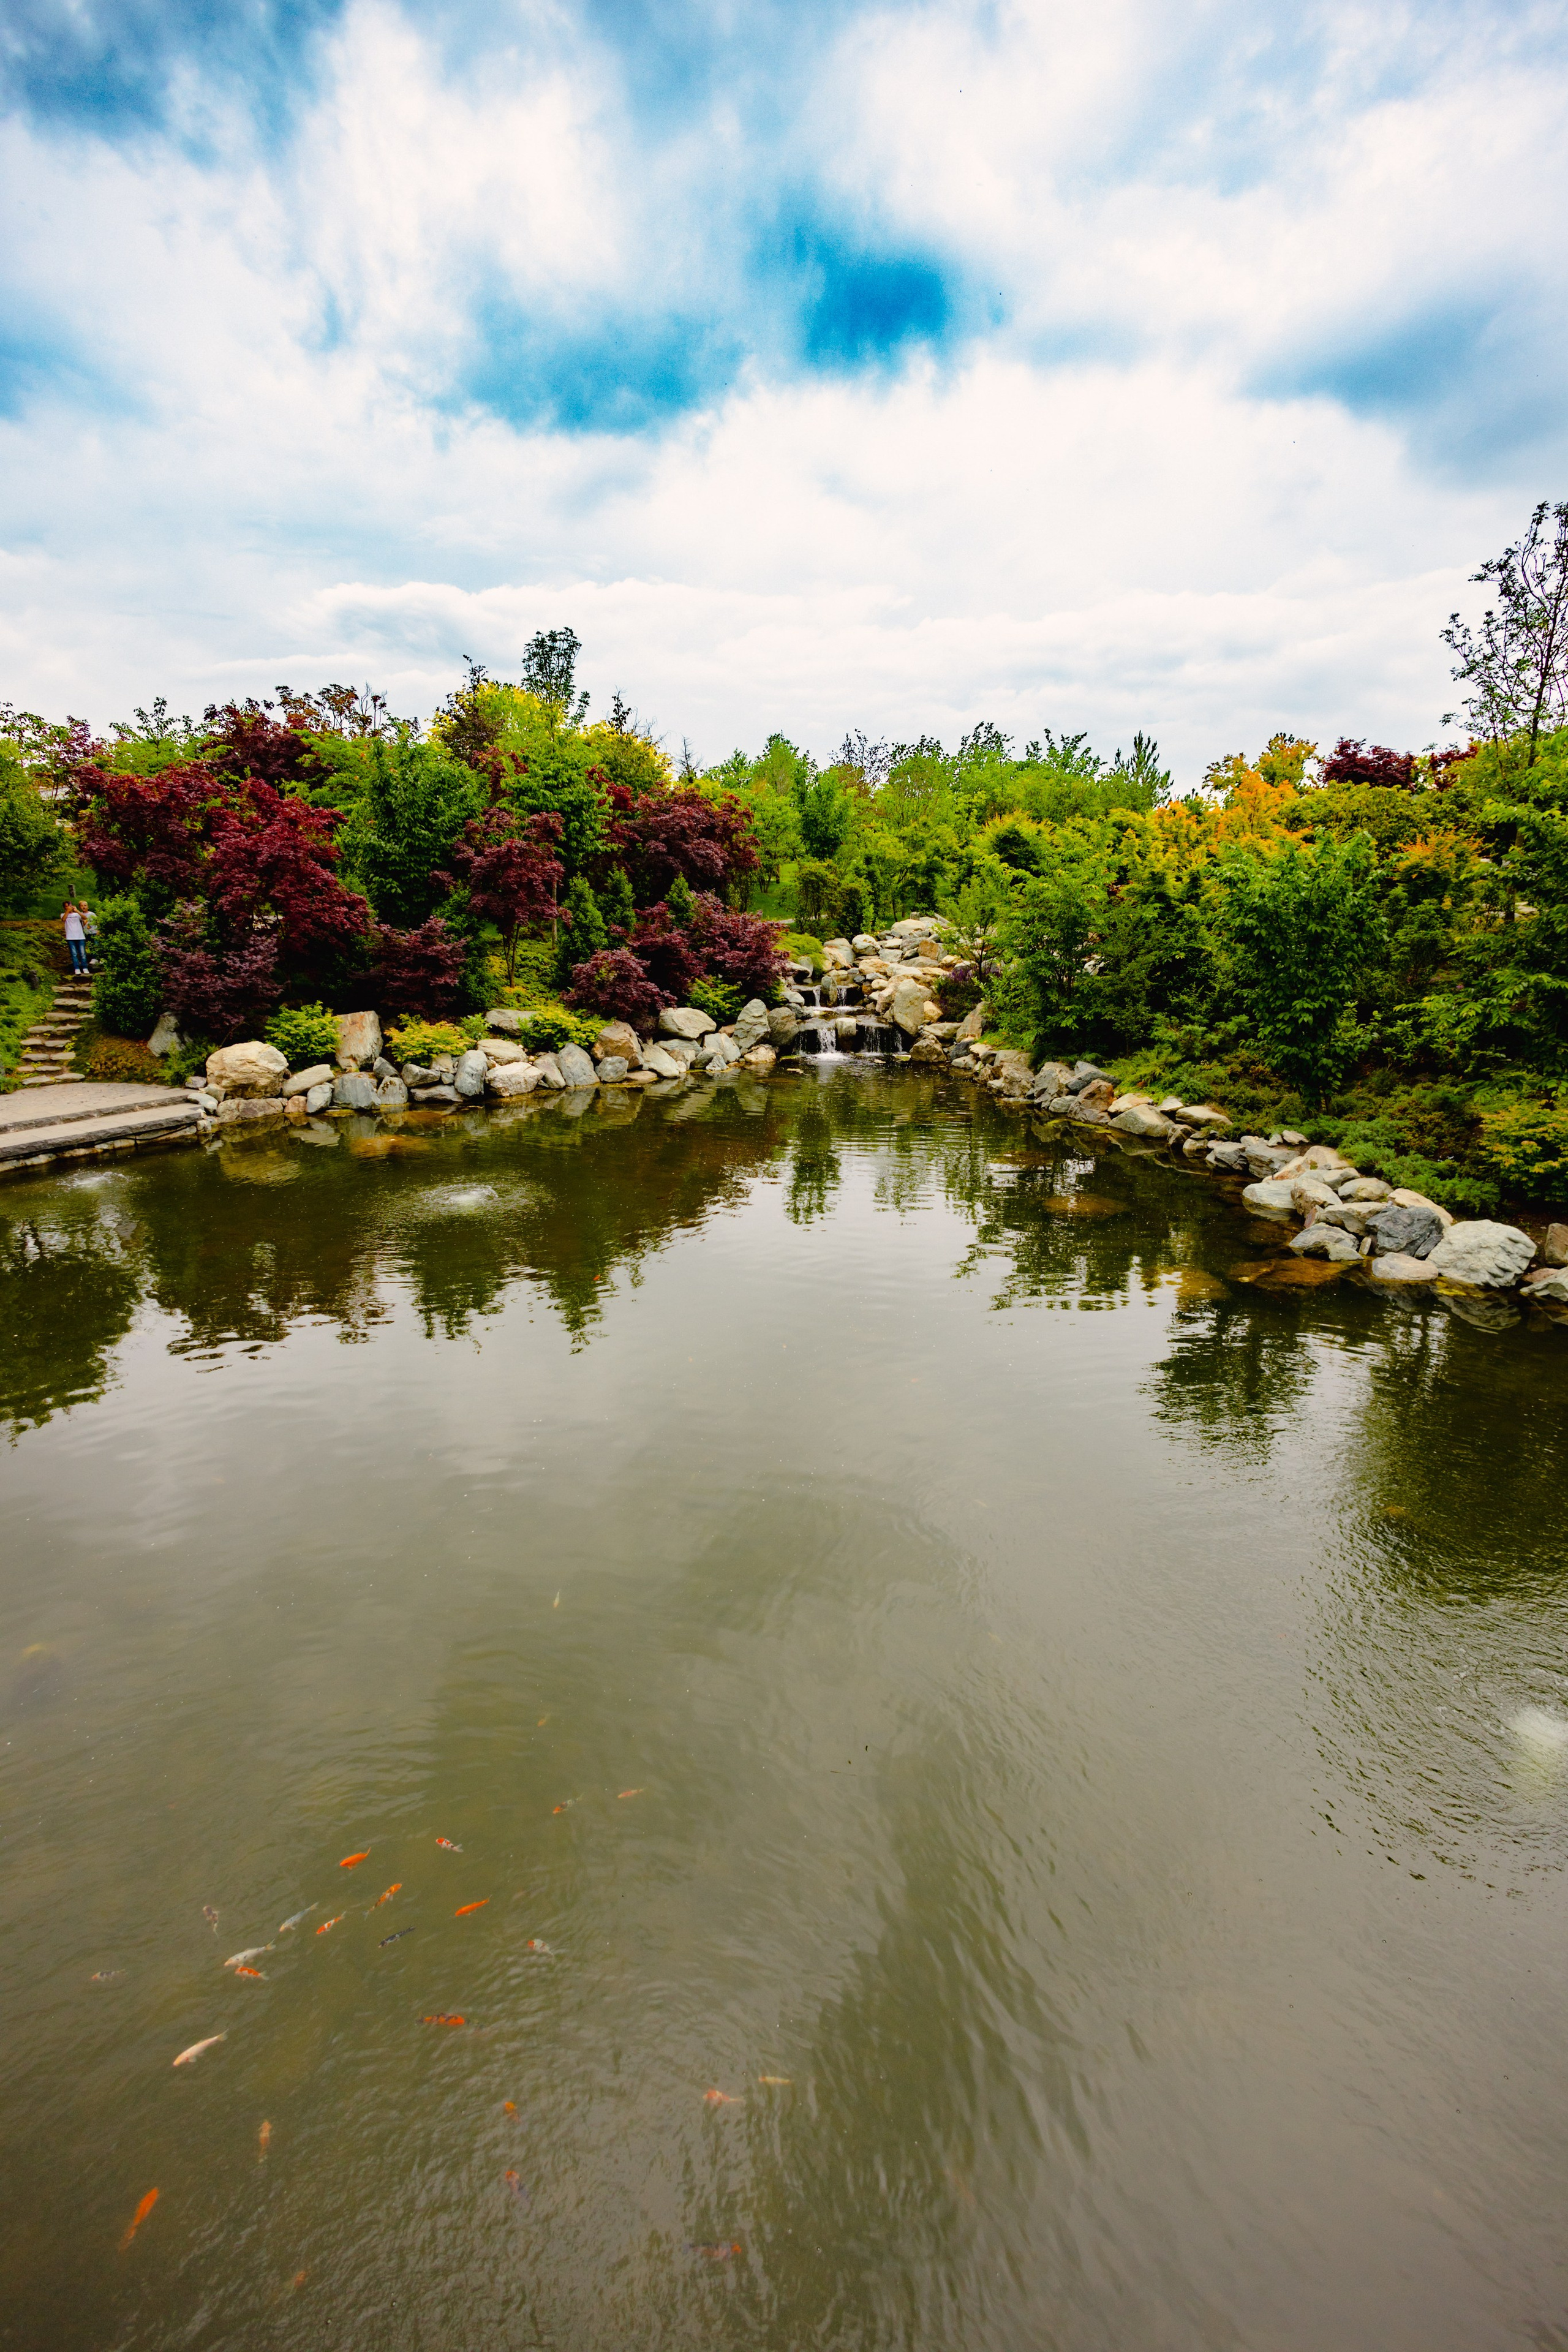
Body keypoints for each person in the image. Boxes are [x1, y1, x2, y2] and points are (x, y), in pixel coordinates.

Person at [62, 902, 88, 976]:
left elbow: (85, 918)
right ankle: (77, 968)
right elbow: (63, 919)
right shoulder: (64, 915)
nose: (69, 908)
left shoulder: (77, 914)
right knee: (74, 954)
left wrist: (77, 911)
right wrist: (68, 911)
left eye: (70, 906)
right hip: (70, 937)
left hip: (80, 937)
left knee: (83, 953)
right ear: (65, 908)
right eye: (67, 907)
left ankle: (85, 968)